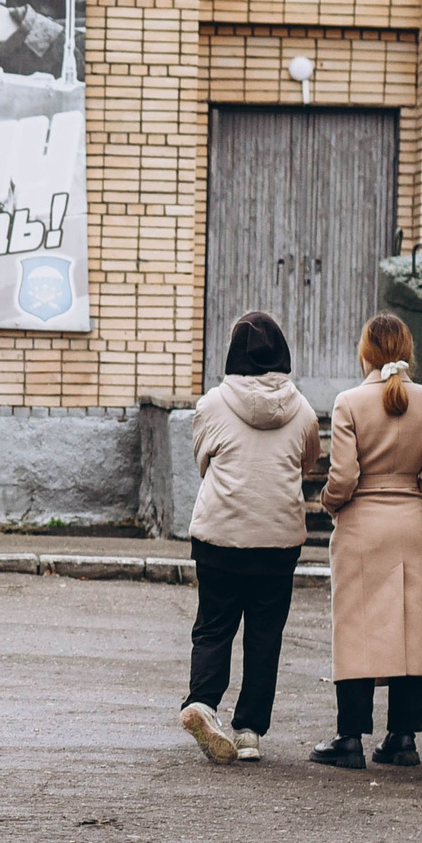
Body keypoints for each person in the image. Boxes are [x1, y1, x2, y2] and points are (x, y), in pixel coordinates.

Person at [178, 312, 318, 766]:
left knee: (214, 625)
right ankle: (250, 731)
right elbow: (307, 465)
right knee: (264, 635)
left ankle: (202, 703)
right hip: (277, 540)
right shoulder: (302, 409)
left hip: (220, 533)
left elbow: (204, 460)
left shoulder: (212, 404)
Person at [313, 315, 422, 770]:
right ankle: (403, 738)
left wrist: (329, 503)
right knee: (411, 631)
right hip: (411, 522)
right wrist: (413, 497)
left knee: (357, 629)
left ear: (366, 352)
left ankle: (349, 737)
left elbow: (344, 476)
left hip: (361, 527)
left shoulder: (349, 402)